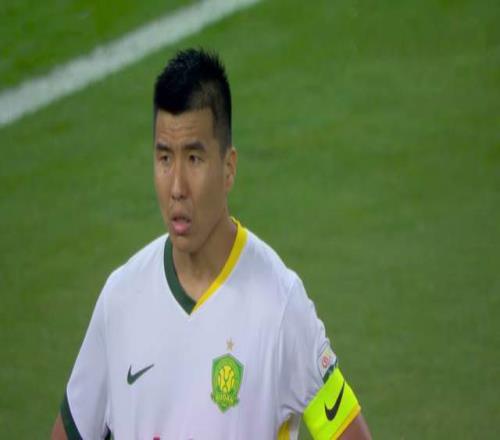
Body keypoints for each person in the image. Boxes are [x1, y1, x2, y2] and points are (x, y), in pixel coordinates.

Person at [51, 48, 372, 440]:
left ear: (228, 167)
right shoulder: (120, 298)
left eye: (194, 158)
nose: (177, 187)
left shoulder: (279, 306)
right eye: (164, 158)